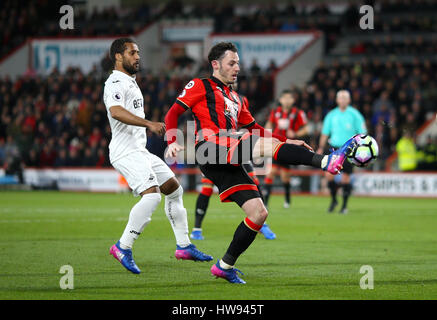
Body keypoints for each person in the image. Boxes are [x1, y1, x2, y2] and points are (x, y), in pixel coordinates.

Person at [165, 42, 356, 284]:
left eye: (238, 63)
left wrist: (287, 140)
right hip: (210, 147)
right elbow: (172, 113)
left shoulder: (237, 98)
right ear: (215, 64)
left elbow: (255, 128)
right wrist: (172, 140)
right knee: (253, 142)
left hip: (229, 155)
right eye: (231, 63)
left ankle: (225, 265)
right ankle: (326, 161)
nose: (237, 67)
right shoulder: (199, 85)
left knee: (258, 212)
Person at [103, 38, 212, 275]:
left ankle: (184, 246)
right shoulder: (115, 82)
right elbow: (115, 111)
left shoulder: (130, 82)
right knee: (152, 197)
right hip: (125, 152)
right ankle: (123, 246)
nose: (138, 56)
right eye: (132, 53)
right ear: (118, 57)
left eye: (138, 52)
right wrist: (148, 124)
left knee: (174, 189)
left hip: (139, 151)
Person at [190, 162, 277, 241]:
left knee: (253, 180)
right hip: (215, 153)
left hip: (235, 150)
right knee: (207, 188)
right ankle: (197, 229)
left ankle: (262, 224)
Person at [317, 90, 367, 214]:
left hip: (350, 149)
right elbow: (325, 133)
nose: (343, 100)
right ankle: (334, 200)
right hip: (334, 148)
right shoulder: (331, 115)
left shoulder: (355, 114)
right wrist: (320, 147)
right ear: (337, 100)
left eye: (345, 98)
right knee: (329, 175)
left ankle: (344, 206)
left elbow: (363, 132)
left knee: (345, 178)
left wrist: (362, 147)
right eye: (341, 98)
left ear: (349, 100)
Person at [263, 89, 308, 208]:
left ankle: (287, 200)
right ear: (280, 100)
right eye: (285, 98)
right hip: (276, 145)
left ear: (293, 100)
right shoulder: (275, 112)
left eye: (289, 98)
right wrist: (267, 133)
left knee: (285, 177)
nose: (287, 100)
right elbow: (269, 124)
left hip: (289, 146)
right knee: (270, 173)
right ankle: (265, 202)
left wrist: (295, 133)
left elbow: (306, 129)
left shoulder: (298, 113)